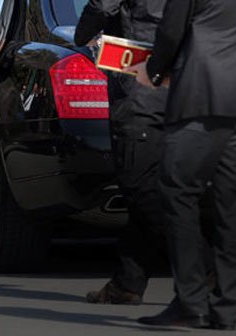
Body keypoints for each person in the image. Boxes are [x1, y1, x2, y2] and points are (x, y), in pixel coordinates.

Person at [128, 0, 236, 329]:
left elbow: (171, 30)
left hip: (201, 96)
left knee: (177, 191)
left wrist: (153, 71)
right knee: (232, 205)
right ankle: (227, 309)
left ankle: (190, 302)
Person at [74, 0, 169, 305]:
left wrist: (83, 32)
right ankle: (127, 283)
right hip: (182, 89)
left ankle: (205, 264)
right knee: (147, 191)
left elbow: (103, 6)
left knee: (139, 187)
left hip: (139, 88)